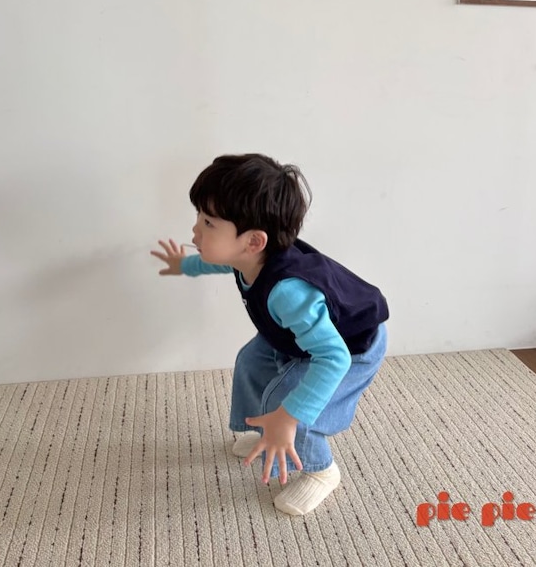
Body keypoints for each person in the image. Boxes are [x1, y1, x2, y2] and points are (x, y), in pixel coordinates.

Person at [151, 153, 389, 516]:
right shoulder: (248, 257)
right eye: (199, 216)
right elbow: (217, 261)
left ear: (253, 241)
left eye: (208, 223)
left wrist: (288, 415)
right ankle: (265, 428)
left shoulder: (288, 292)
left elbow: (333, 358)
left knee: (291, 401)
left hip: (351, 346)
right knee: (251, 361)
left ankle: (320, 470)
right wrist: (184, 264)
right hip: (297, 337)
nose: (195, 231)